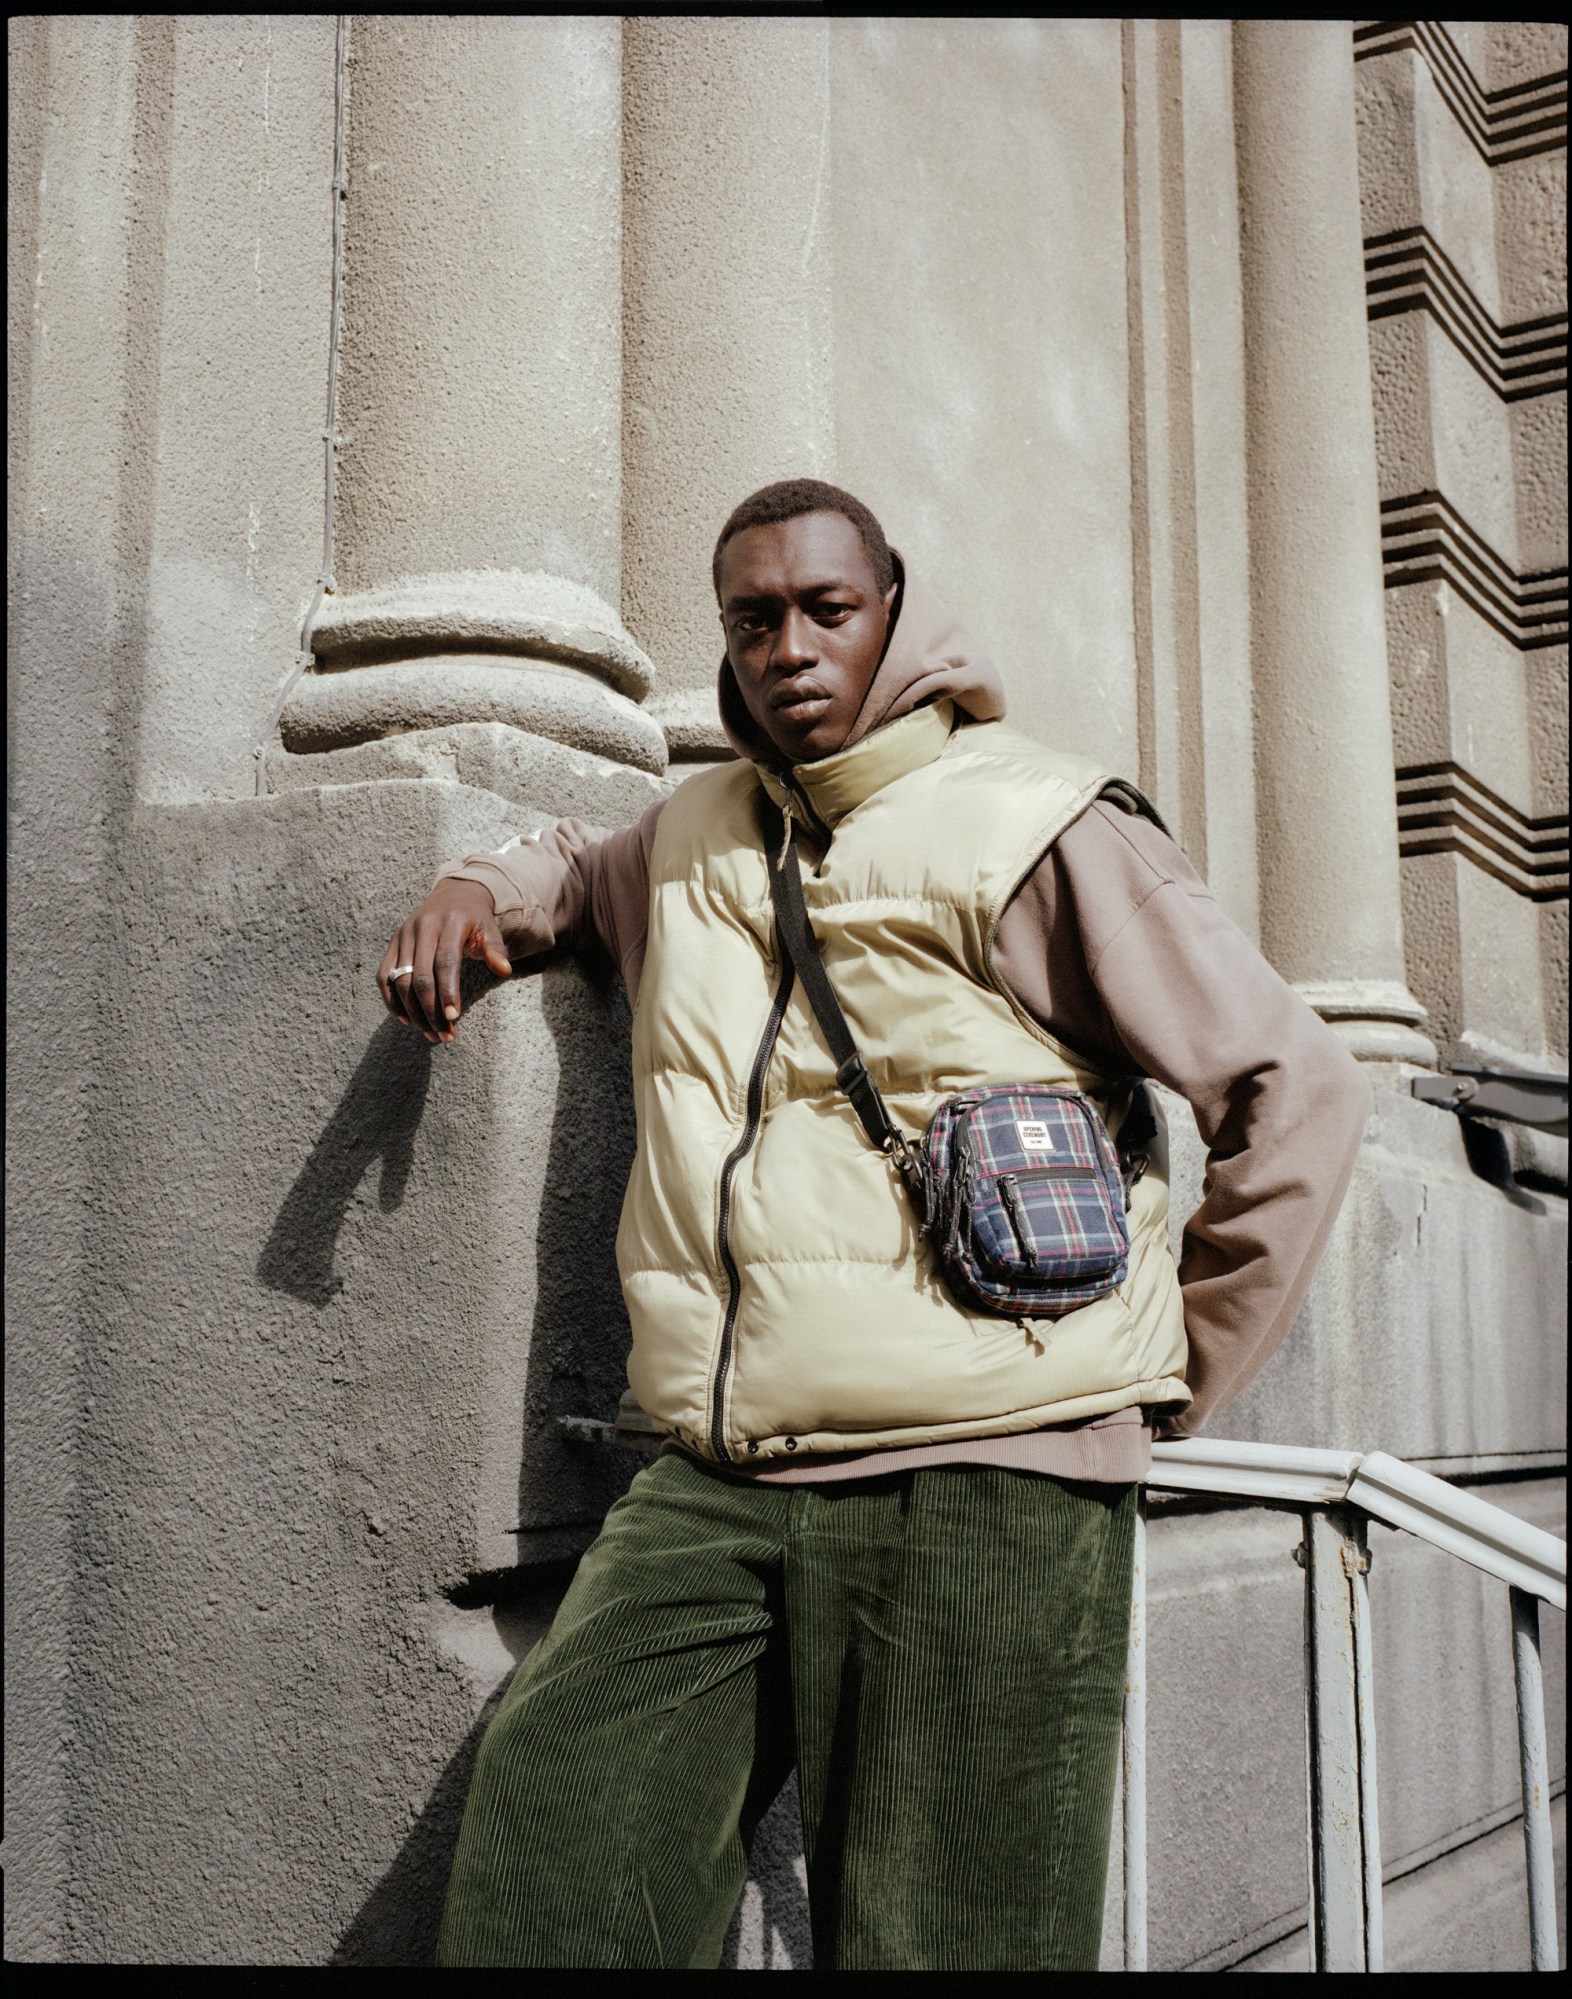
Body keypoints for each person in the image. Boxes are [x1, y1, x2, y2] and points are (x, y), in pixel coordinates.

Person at [378, 478, 1371, 1970]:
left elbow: (1295, 1086)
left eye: (825, 611)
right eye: (753, 617)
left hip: (989, 1484)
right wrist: (476, 890)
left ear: (894, 610)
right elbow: (575, 873)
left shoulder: (1036, 818)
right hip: (718, 1476)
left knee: (948, 1940)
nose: (789, 647)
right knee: (553, 1864)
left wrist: (1168, 1373)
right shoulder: (696, 832)